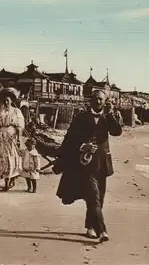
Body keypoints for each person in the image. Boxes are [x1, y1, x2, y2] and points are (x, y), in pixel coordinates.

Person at [52, 90, 122, 243]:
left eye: (101, 100)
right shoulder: (81, 117)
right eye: (95, 99)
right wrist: (83, 145)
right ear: (90, 100)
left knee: (99, 197)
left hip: (102, 163)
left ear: (105, 102)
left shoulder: (108, 117)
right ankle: (102, 230)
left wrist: (110, 115)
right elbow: (70, 137)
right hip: (85, 164)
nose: (98, 102)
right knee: (94, 196)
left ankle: (90, 226)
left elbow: (117, 131)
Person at [0, 88, 25, 191]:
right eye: (4, 100)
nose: (6, 102)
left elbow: (19, 126)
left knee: (13, 157)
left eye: (8, 100)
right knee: (3, 158)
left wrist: (19, 139)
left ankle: (12, 179)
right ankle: (6, 181)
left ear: (11, 100)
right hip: (2, 137)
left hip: (12, 137)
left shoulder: (16, 111)